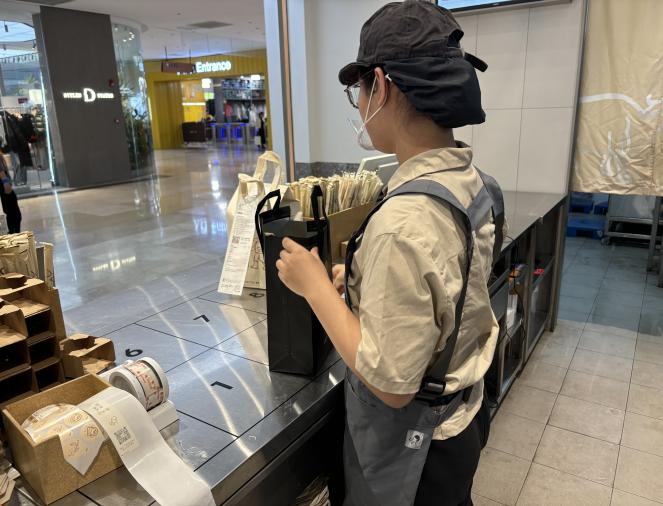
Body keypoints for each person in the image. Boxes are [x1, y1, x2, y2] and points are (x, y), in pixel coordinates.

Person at [276, 2, 504, 505]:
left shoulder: (403, 223)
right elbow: (446, 287)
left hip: (415, 456)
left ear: (380, 85)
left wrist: (315, 288)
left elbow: (392, 384)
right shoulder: (473, 182)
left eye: (359, 90)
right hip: (461, 423)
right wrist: (363, 278)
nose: (359, 105)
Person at [0, 153, 21, 234]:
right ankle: (14, 232)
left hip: (3, 184)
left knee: (10, 210)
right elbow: (1, 171)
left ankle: (13, 231)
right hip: (3, 184)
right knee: (13, 211)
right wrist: (5, 182)